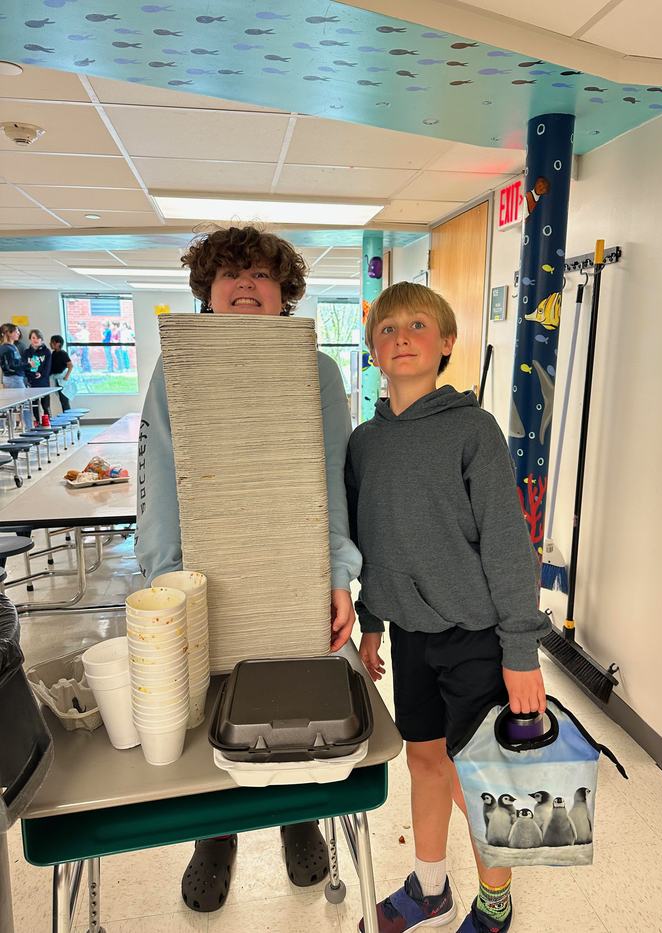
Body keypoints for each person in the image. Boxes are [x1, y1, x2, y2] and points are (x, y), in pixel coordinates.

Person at [135, 224, 361, 914]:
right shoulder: (177, 368)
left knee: (297, 699)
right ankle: (216, 832)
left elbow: (333, 476)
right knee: (217, 708)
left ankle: (301, 817)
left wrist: (337, 573)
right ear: (205, 289)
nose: (244, 284)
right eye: (229, 273)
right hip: (204, 575)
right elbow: (159, 479)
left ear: (283, 294)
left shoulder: (316, 371)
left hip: (292, 571)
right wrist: (162, 580)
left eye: (261, 274)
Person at [345, 282, 550, 933]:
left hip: (476, 637)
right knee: (424, 758)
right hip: (409, 634)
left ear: (446, 344)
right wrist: (373, 621)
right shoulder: (364, 443)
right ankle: (431, 889)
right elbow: (368, 539)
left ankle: (495, 902)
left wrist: (520, 651)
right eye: (387, 327)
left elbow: (509, 546)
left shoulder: (473, 430)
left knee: (477, 775)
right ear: (372, 345)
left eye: (417, 325)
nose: (401, 336)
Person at [0, 323, 32, 431]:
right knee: (25, 404)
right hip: (13, 379)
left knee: (22, 404)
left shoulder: (13, 347)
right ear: (9, 333)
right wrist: (27, 365)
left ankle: (23, 427)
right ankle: (28, 428)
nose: (18, 333)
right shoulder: (6, 348)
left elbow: (17, 364)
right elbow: (11, 367)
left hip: (17, 378)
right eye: (16, 331)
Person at [23, 329, 52, 425]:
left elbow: (48, 367)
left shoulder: (46, 351)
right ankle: (37, 422)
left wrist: (41, 374)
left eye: (38, 338)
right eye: (33, 338)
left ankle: (47, 421)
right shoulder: (26, 352)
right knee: (34, 404)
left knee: (45, 404)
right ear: (30, 339)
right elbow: (24, 366)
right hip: (32, 382)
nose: (35, 340)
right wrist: (31, 375)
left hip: (43, 382)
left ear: (41, 339)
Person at [49, 335, 73, 412]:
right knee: (62, 400)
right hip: (56, 378)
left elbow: (70, 365)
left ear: (58, 344)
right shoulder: (53, 353)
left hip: (62, 379)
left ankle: (69, 419)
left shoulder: (63, 353)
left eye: (52, 342)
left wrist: (66, 377)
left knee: (64, 400)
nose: (50, 344)